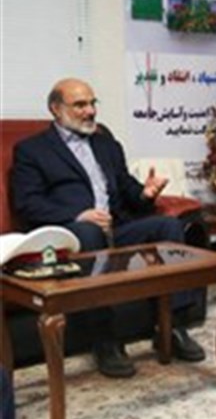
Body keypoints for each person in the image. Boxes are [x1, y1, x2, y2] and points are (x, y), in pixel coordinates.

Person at [11, 78, 205, 379]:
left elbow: (128, 191)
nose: (90, 111)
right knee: (89, 232)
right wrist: (79, 215)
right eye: (80, 105)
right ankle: (105, 339)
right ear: (56, 109)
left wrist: (146, 193)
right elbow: (28, 203)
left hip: (118, 227)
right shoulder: (32, 150)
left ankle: (173, 325)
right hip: (72, 233)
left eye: (92, 103)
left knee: (168, 226)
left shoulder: (107, 145)